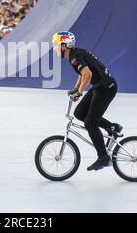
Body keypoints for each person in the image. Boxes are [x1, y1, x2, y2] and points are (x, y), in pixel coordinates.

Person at [52, 31, 123, 171]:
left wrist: (79, 92)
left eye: (56, 44)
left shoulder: (74, 57)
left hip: (106, 88)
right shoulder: (74, 55)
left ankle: (103, 158)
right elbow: (82, 74)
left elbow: (87, 74)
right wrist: (75, 89)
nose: (55, 47)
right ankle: (112, 127)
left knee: (90, 123)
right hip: (100, 86)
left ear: (64, 46)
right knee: (79, 113)